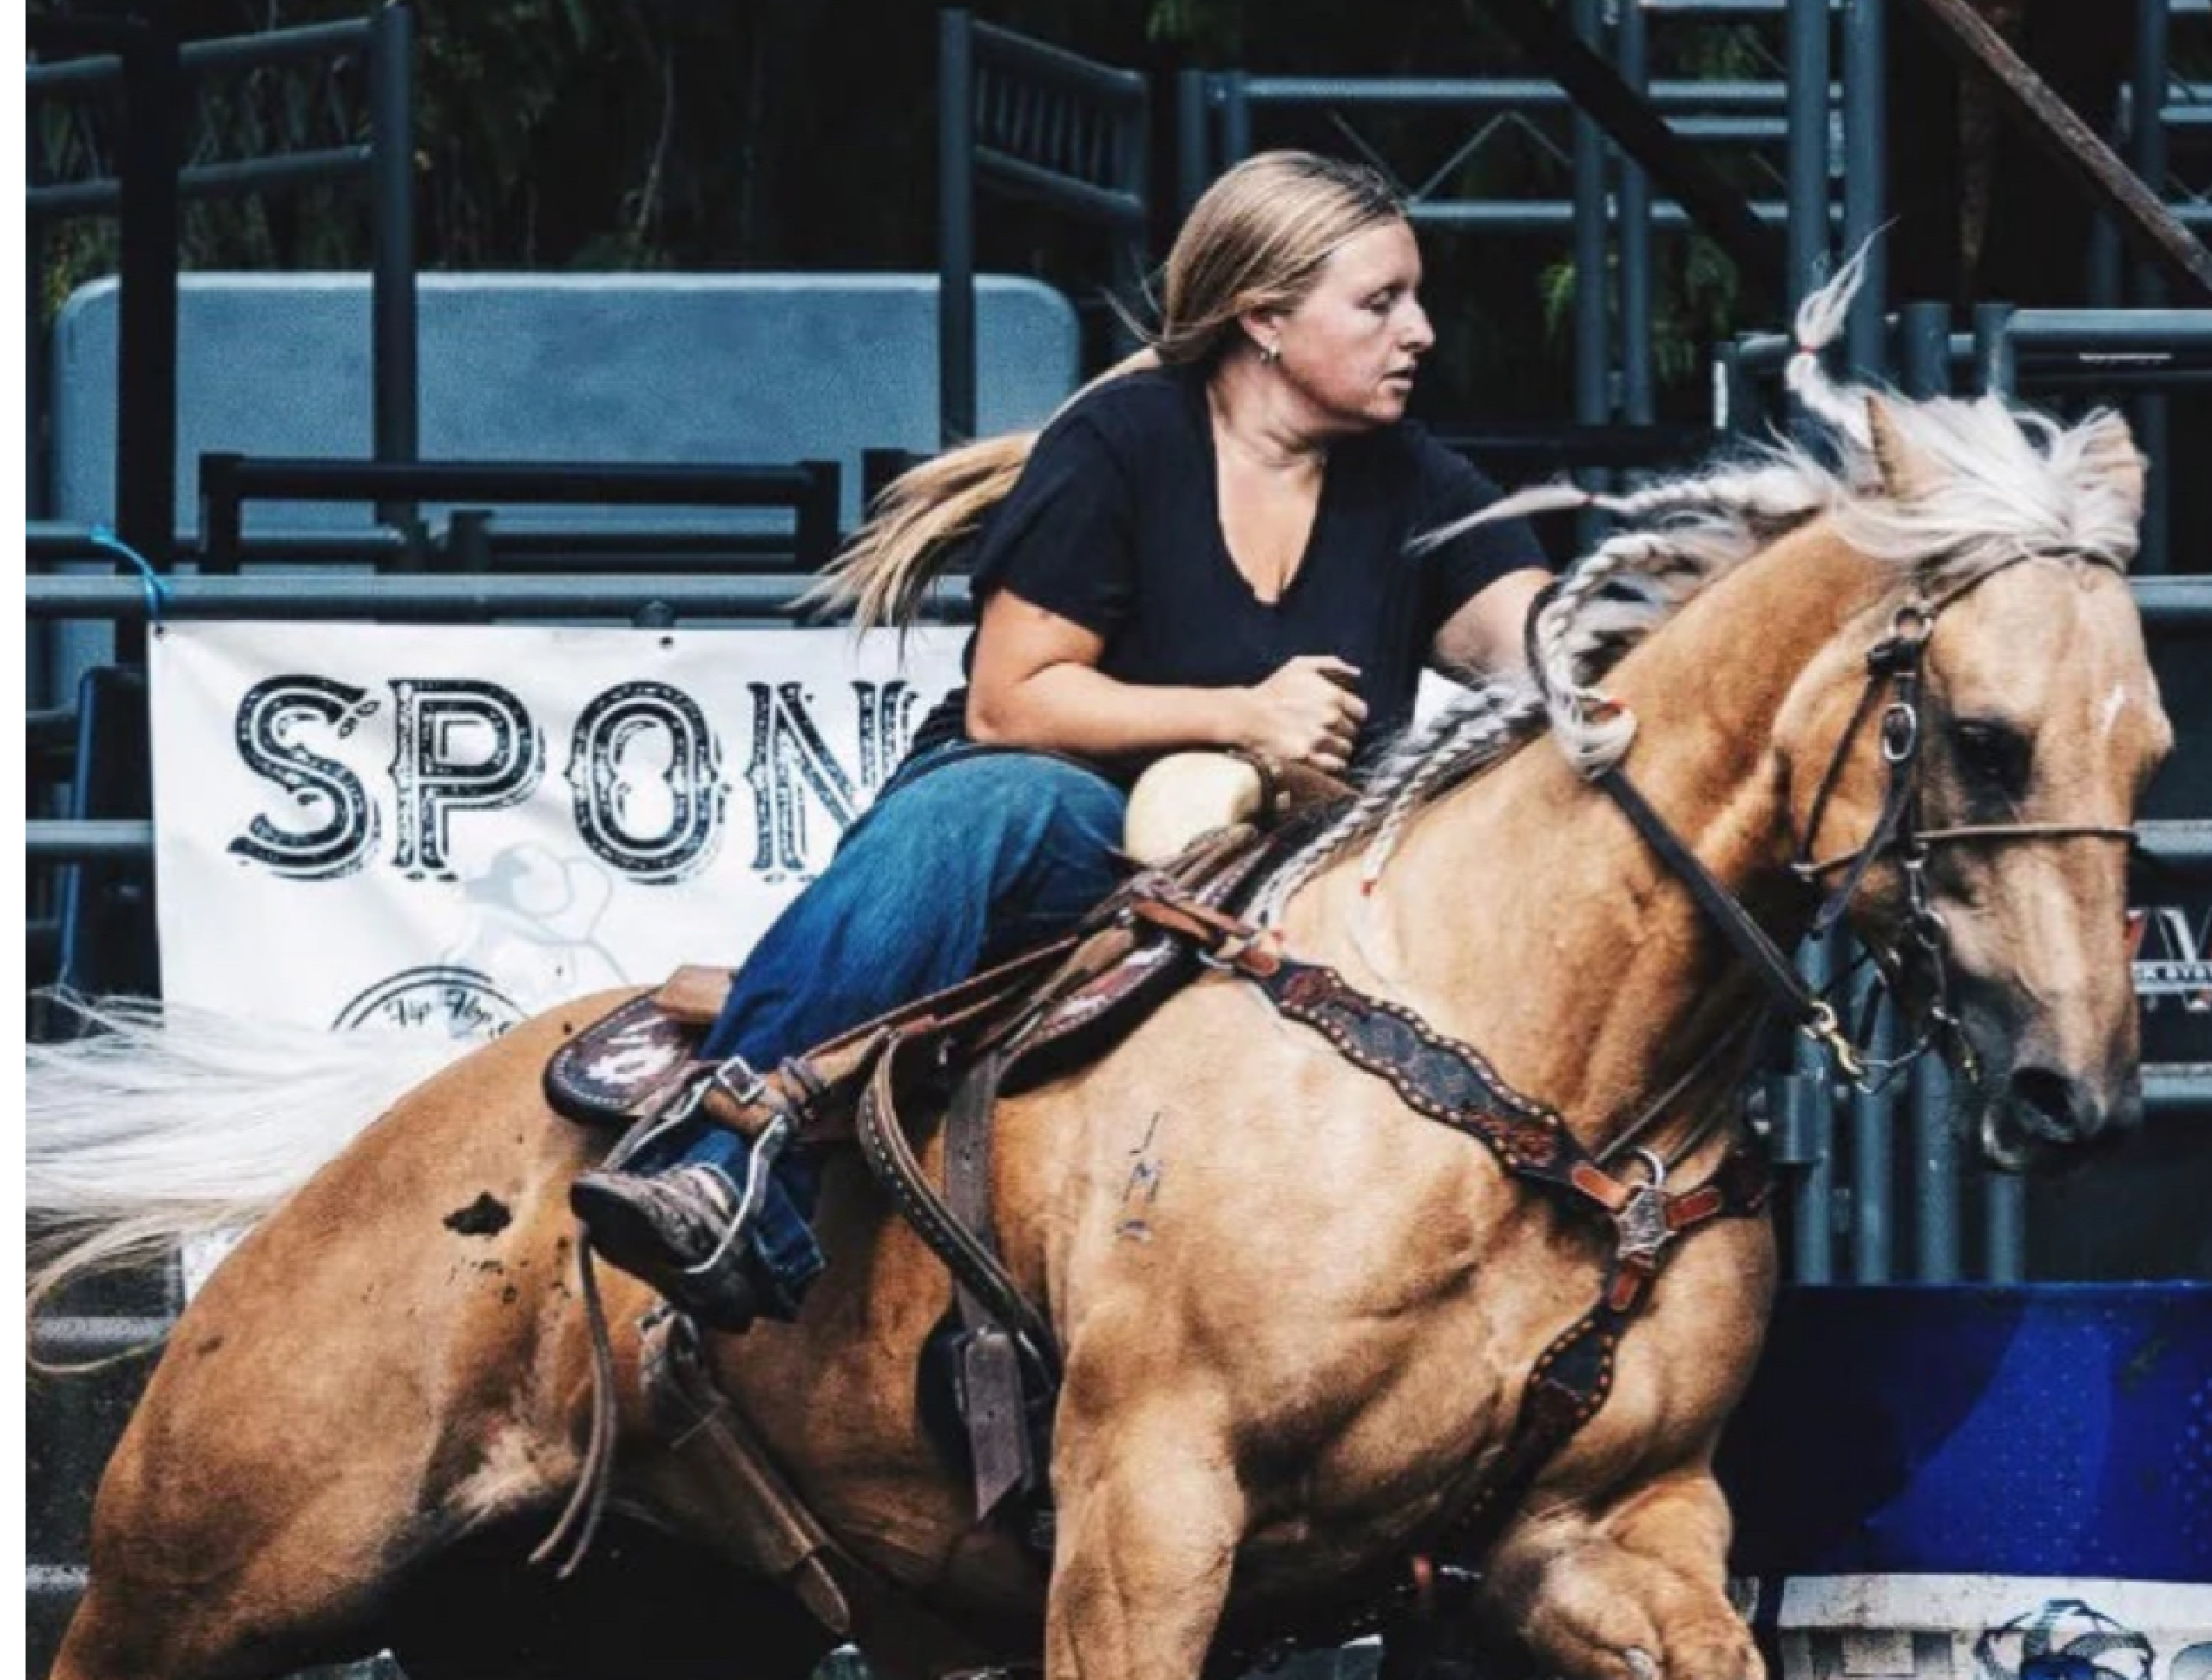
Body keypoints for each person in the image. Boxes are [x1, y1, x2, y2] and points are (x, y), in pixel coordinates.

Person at [570, 151, 1551, 1330]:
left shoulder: (1417, 482)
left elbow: (1547, 649)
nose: (1420, 332)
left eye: (1415, 299)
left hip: (1287, 883)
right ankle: (722, 1162)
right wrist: (1242, 713)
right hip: (1073, 836)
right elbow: (1011, 702)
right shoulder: (1123, 441)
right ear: (1265, 319)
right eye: (1380, 302)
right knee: (999, 800)